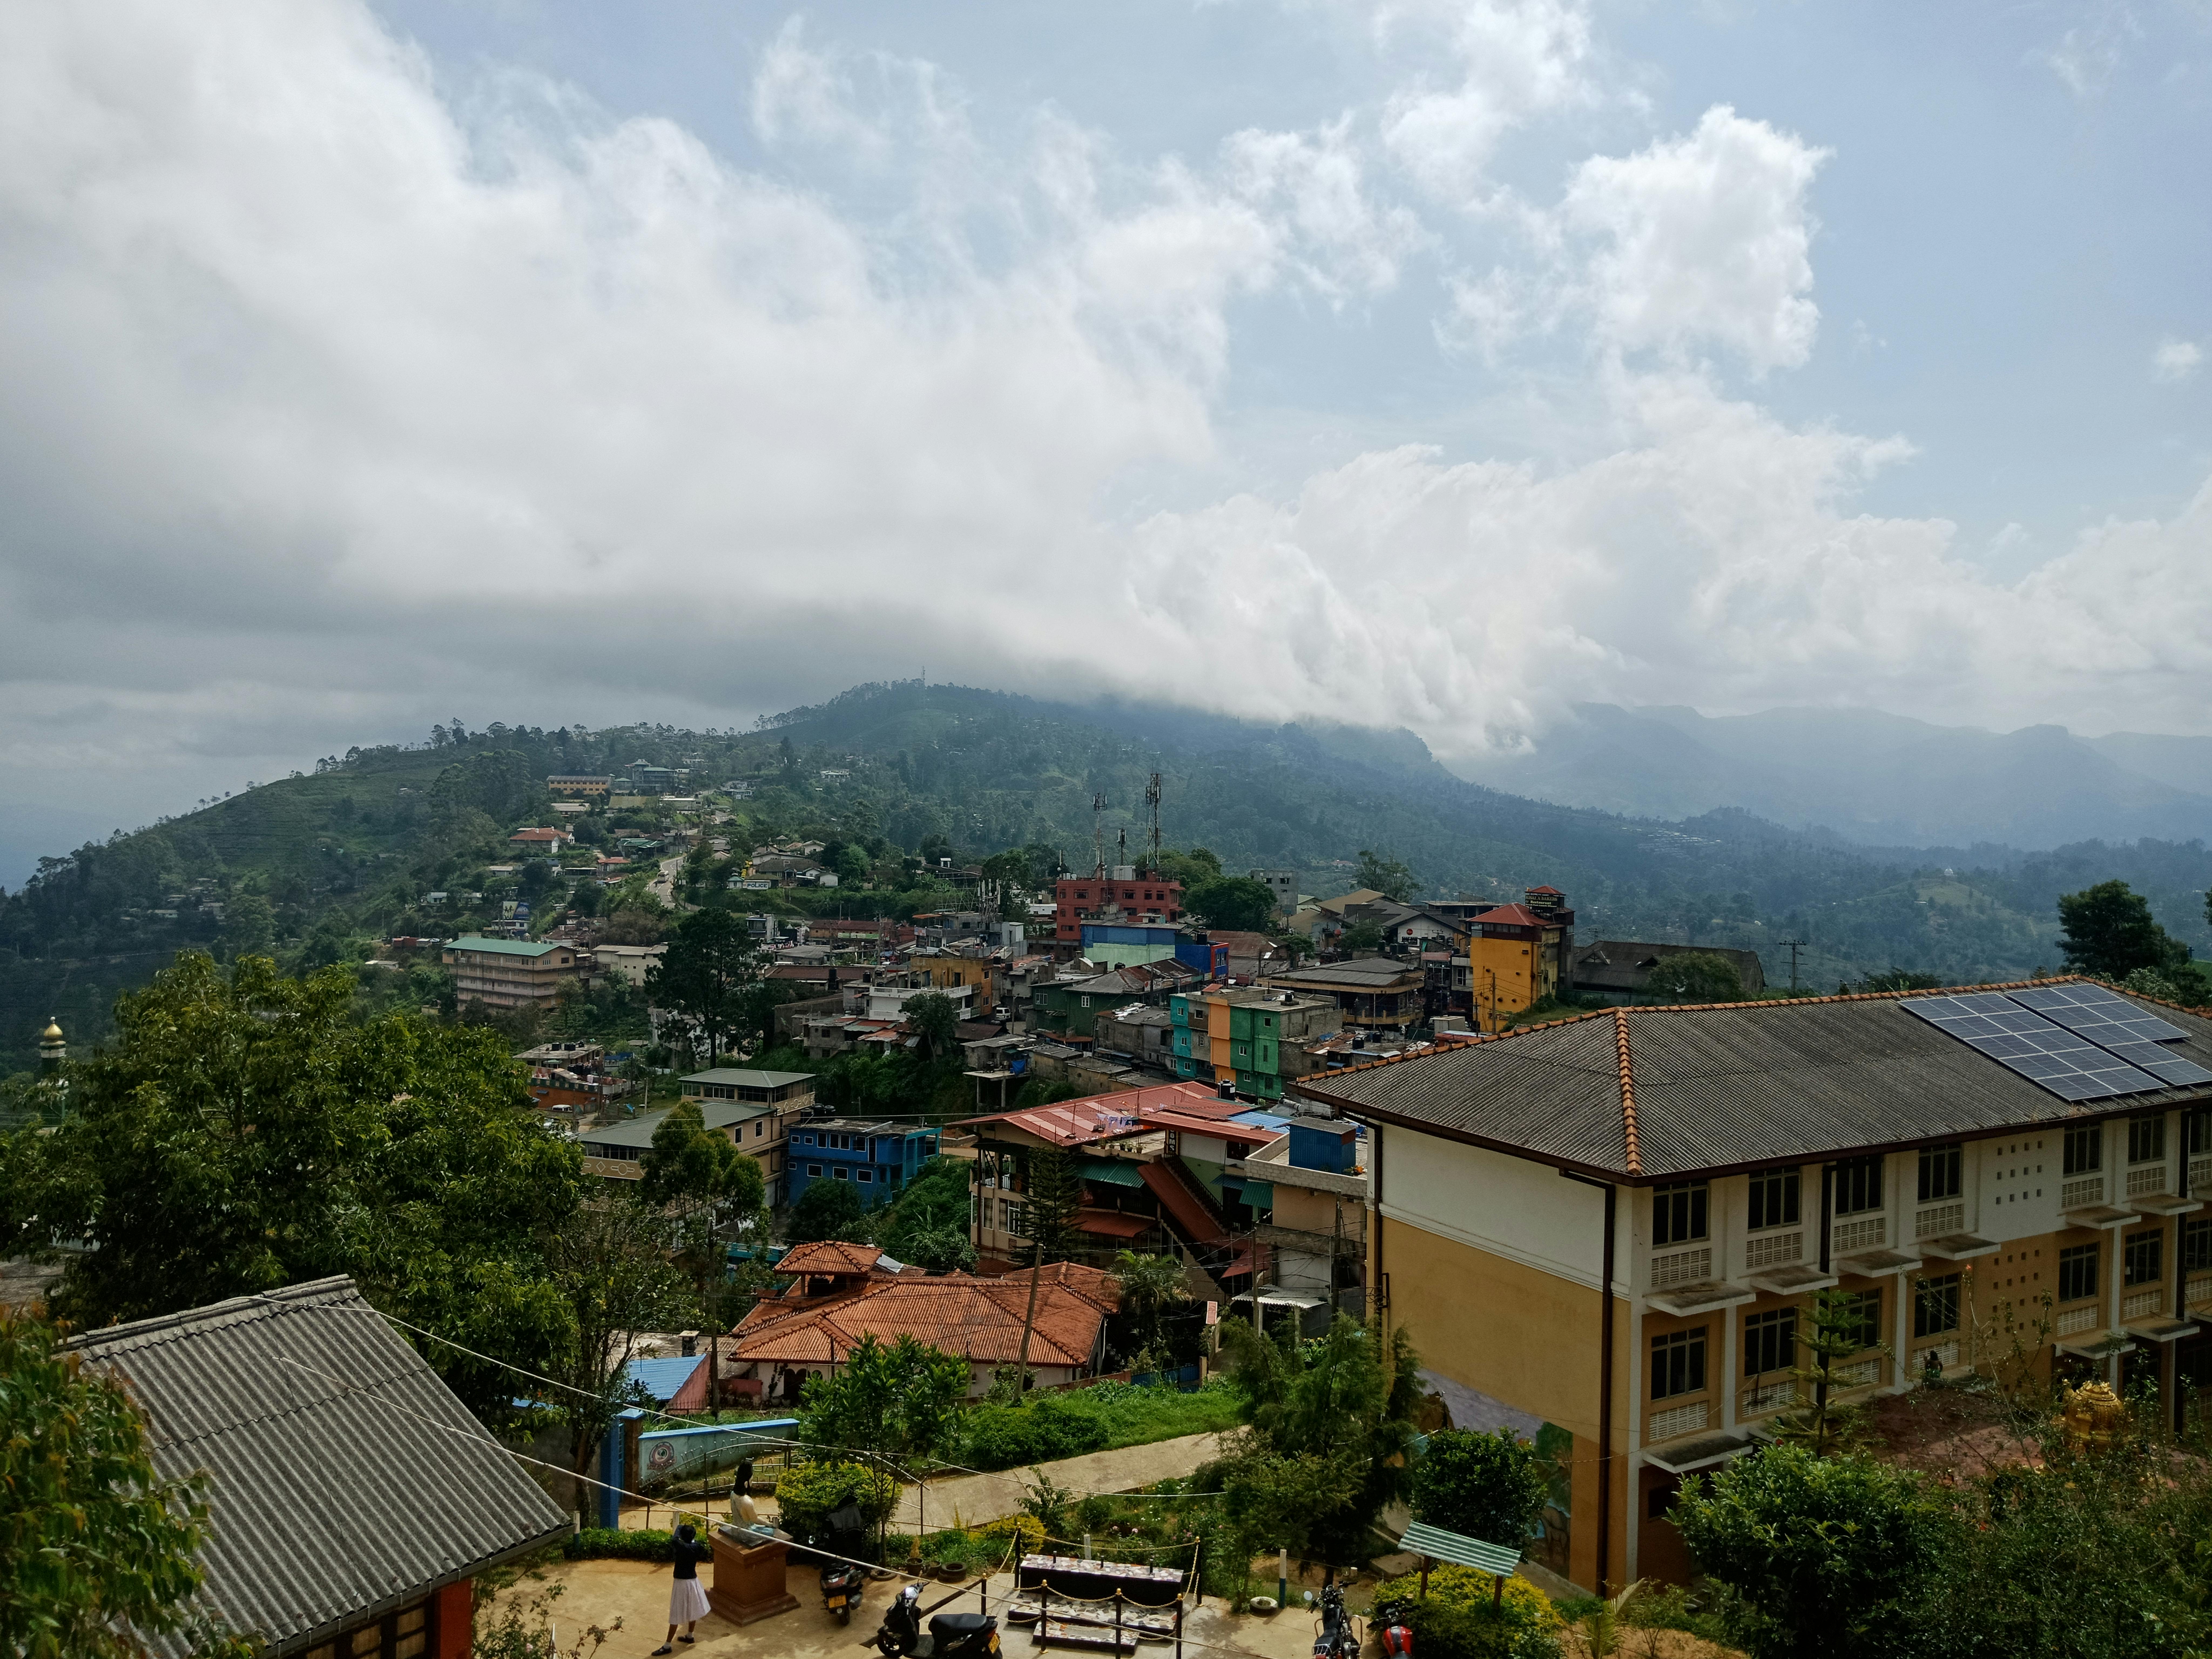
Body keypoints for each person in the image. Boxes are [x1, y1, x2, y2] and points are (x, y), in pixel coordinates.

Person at [653, 1521, 713, 1653]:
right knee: (693, 1608)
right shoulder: (697, 1546)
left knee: (676, 1613)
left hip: (681, 1583)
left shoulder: (680, 1546)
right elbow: (691, 1541)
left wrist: (680, 1527)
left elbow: (675, 1538)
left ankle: (668, 1646)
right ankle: (690, 1636)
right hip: (693, 1581)